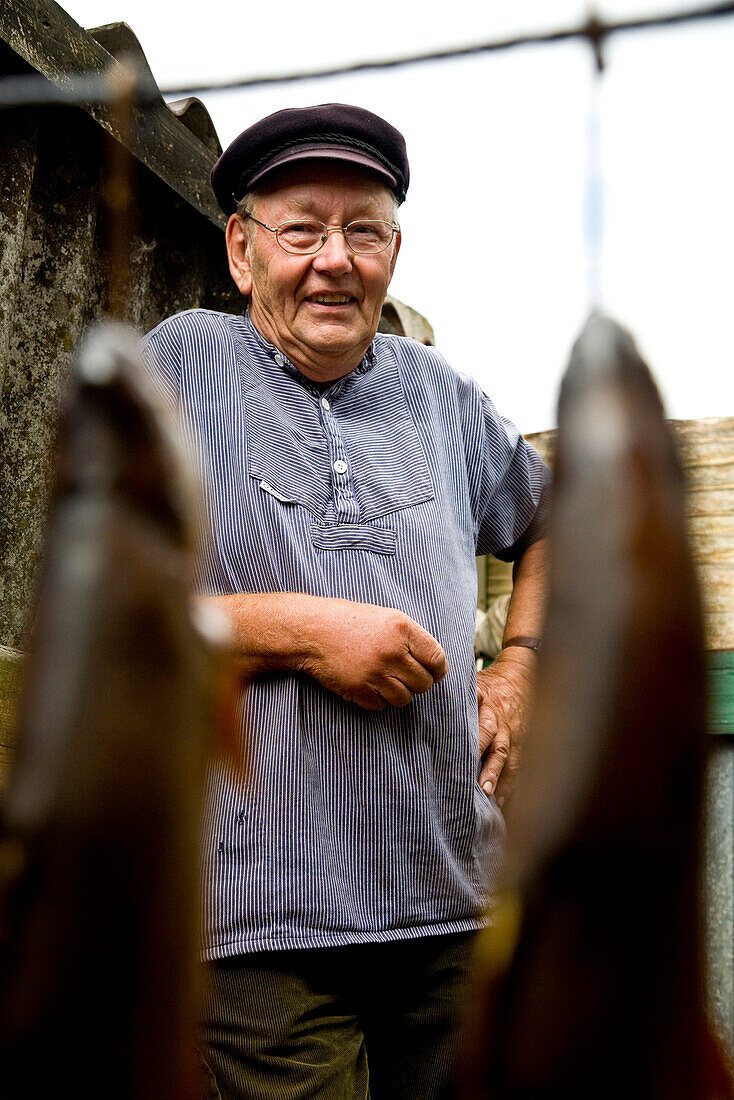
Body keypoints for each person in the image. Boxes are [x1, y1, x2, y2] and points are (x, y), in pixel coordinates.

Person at [141, 102, 550, 1100]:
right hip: (260, 921)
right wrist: (304, 631)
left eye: (361, 230)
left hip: (454, 900)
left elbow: (555, 522)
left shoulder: (433, 391)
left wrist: (521, 667)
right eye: (302, 230)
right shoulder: (179, 366)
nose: (334, 258)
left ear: (392, 251)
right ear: (241, 250)